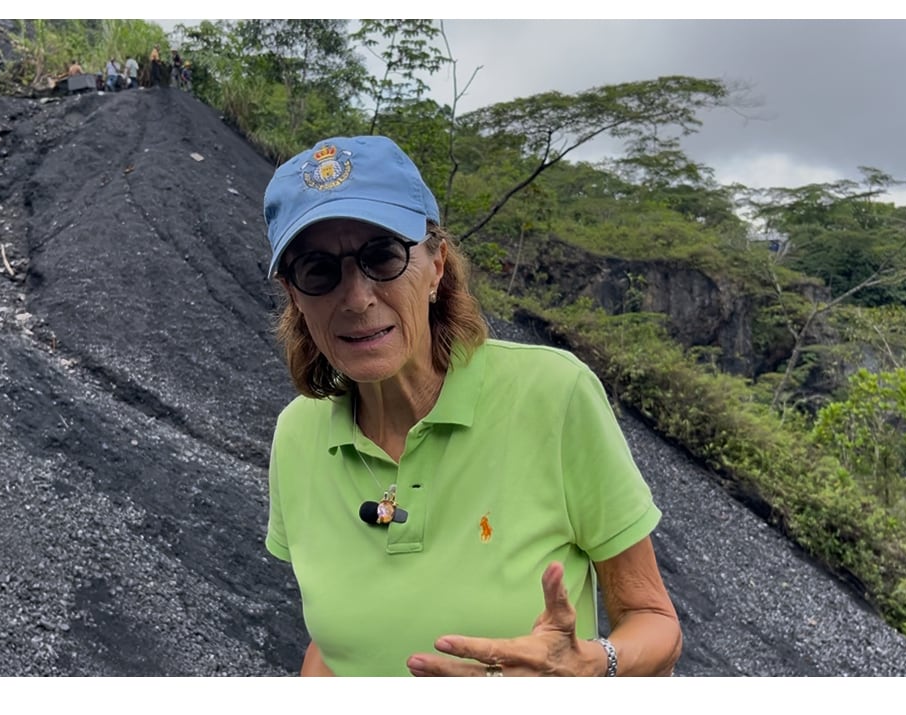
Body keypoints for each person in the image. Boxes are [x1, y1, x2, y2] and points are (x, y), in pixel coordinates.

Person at [261, 135, 682, 677]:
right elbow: (332, 646)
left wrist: (590, 668)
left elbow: (654, 620)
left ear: (436, 266)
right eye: (318, 270)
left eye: (383, 256)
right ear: (295, 294)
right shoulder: (297, 436)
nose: (358, 298)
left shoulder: (553, 395)